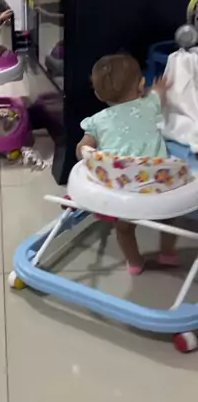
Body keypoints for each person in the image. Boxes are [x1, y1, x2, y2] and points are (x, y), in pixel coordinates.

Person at [76, 53, 177, 275]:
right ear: (141, 85)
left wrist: (88, 154)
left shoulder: (96, 121)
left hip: (122, 189)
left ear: (98, 94)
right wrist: (158, 88)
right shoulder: (150, 104)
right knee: (170, 217)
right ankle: (167, 253)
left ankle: (135, 262)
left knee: (123, 228)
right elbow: (160, 93)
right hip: (159, 186)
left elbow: (83, 148)